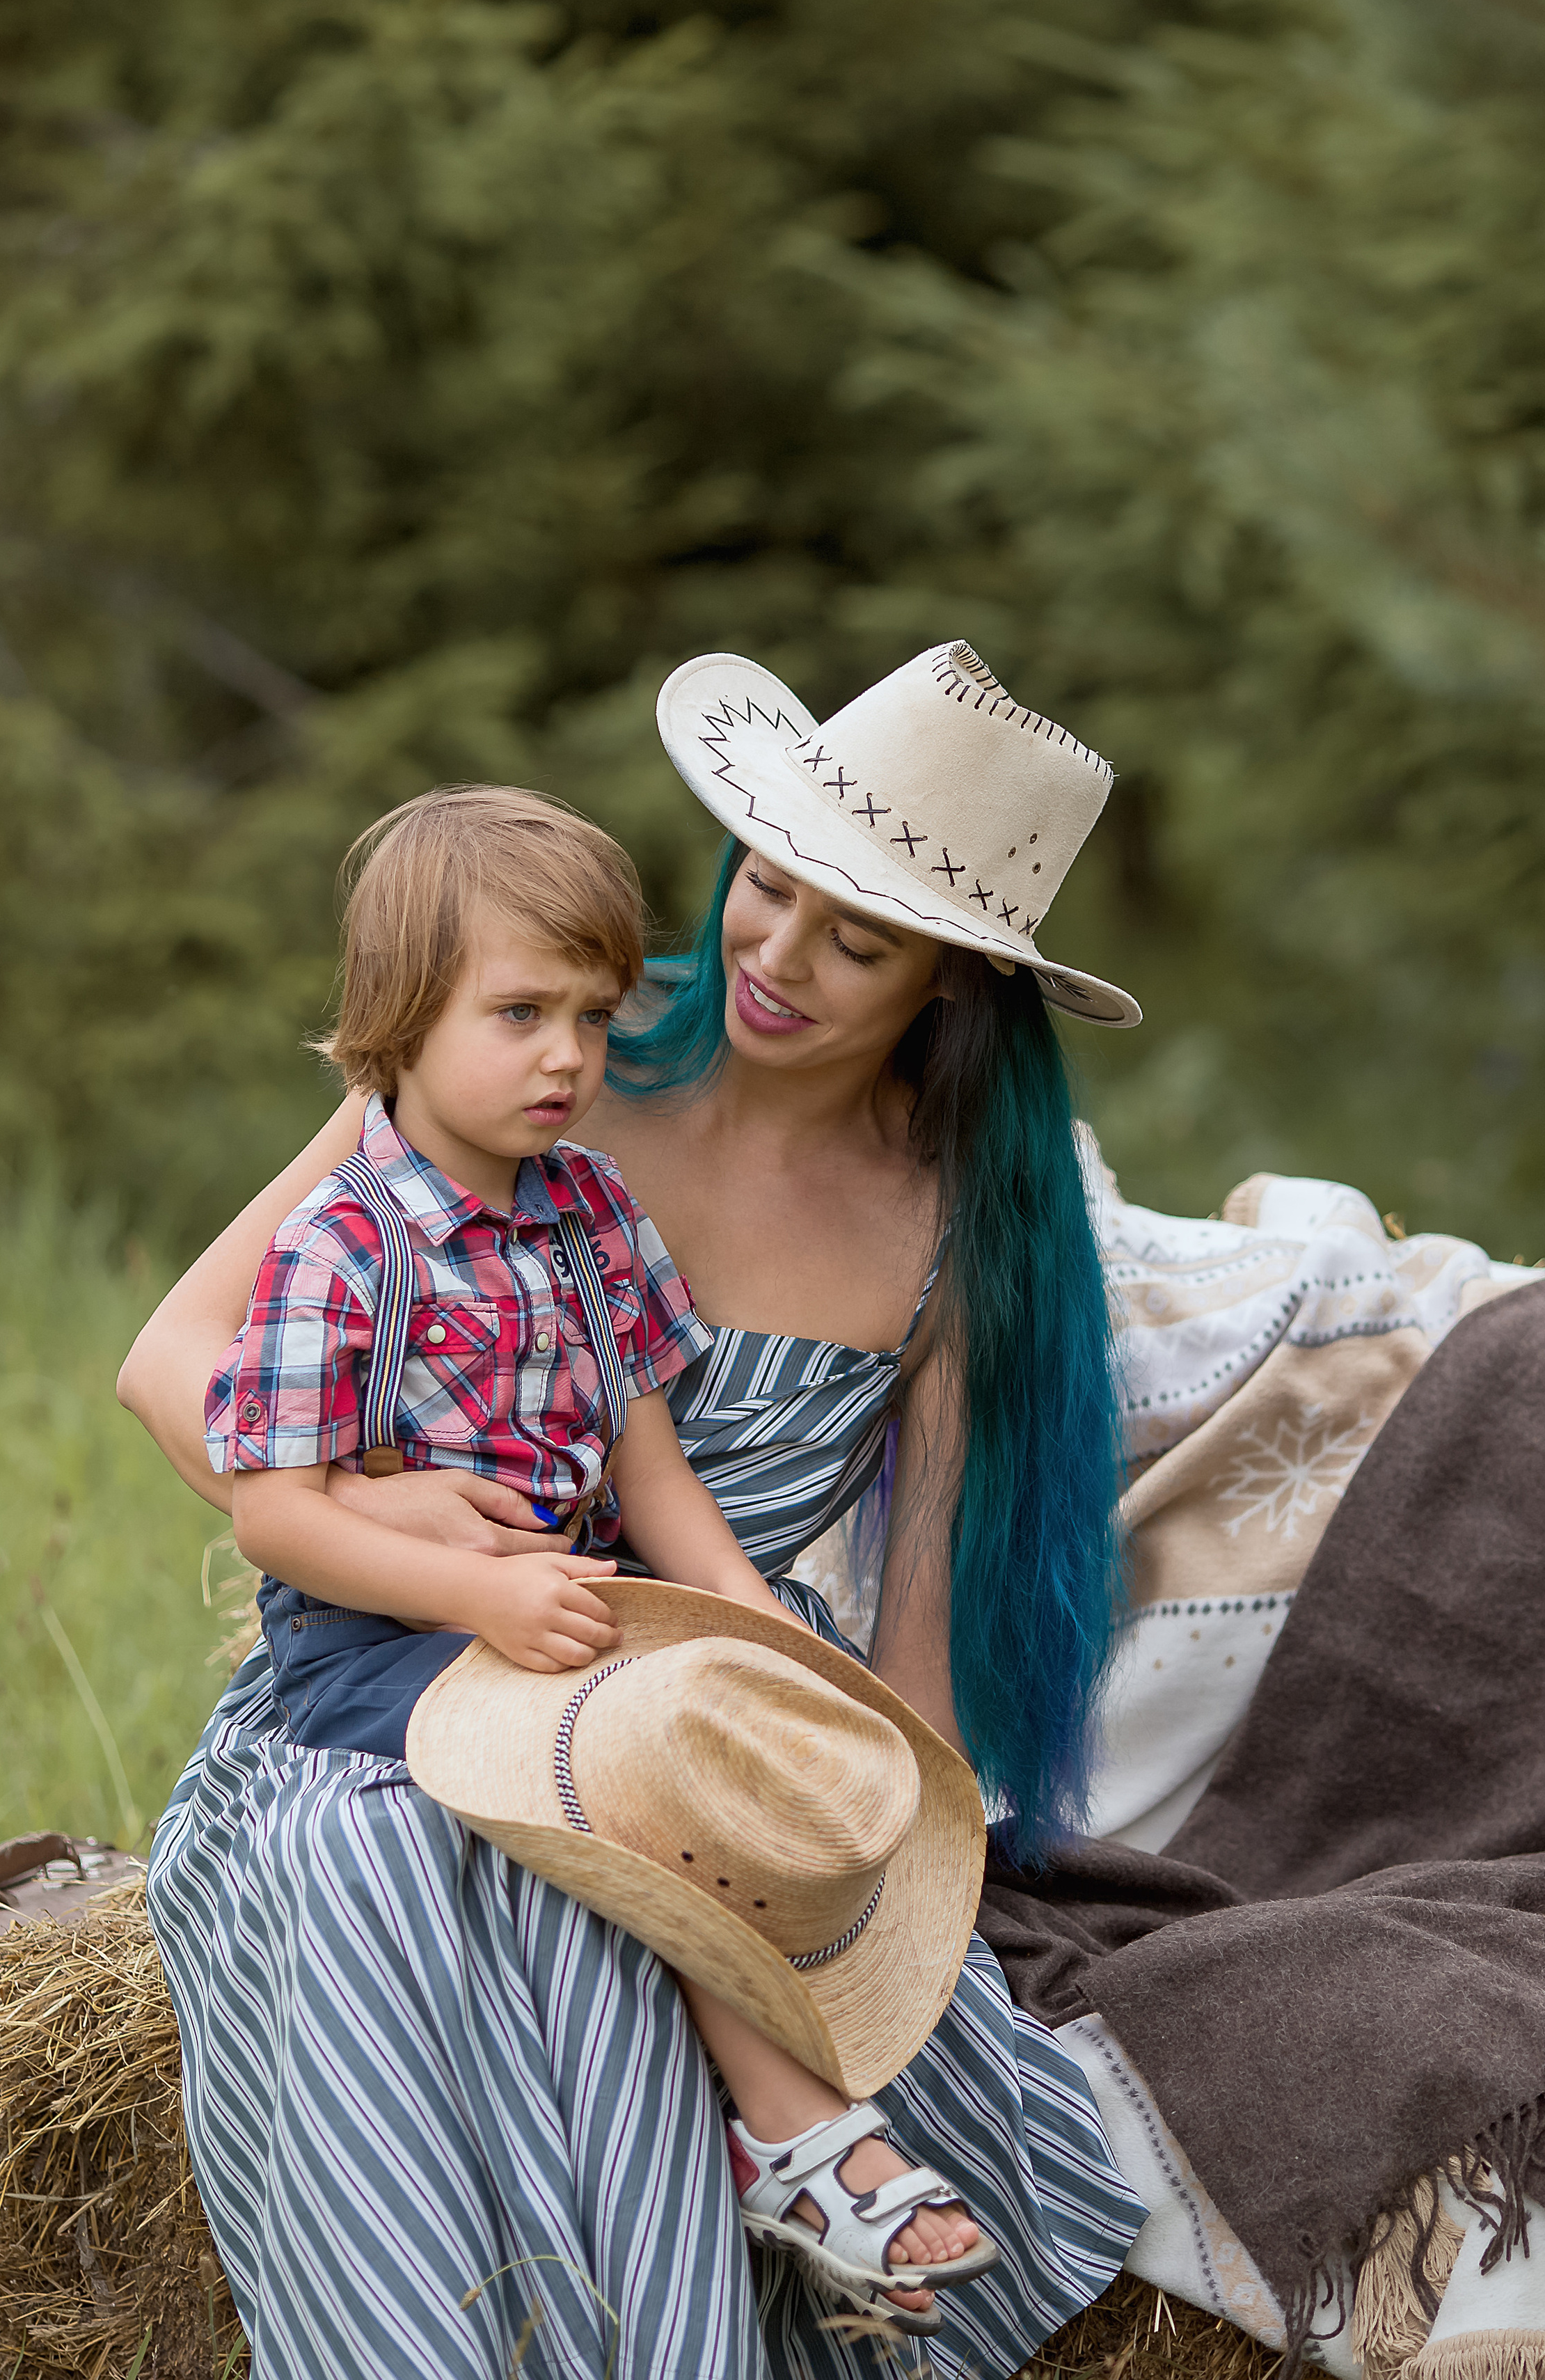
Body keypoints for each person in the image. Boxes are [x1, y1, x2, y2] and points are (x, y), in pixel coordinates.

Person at [125, 638, 1149, 2380]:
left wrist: (868, 1837)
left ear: (952, 984)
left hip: (698, 1665)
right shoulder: (514, 1047)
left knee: (718, 1873)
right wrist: (401, 1523)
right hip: (423, 1642)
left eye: (860, 934)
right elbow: (175, 1364)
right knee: (403, 1864)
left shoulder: (953, 1228)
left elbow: (902, 1619)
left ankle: (794, 2163)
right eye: (768, 884)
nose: (773, 954)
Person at [206, 780, 1002, 2332]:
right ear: (393, 1019)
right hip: (384, 1638)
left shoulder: (590, 1218)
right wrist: (469, 1583)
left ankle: (792, 2117)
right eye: (518, 1013)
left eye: (589, 1008)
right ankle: (794, 2132)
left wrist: (760, 1626)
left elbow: (651, 1470)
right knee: (628, 1777)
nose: (569, 1053)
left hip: (566, 1607)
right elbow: (274, 1513)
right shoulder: (344, 1239)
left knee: (704, 1744)